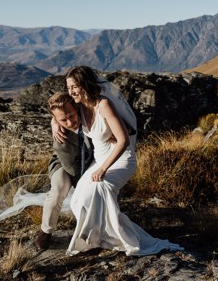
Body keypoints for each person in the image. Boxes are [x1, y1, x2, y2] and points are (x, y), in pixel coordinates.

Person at [60, 66, 182, 256]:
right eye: (69, 88)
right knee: (78, 200)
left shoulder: (104, 105)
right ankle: (98, 237)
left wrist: (104, 169)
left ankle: (120, 238)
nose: (72, 91)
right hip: (100, 161)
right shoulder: (78, 107)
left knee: (100, 188)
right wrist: (54, 125)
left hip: (120, 160)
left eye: (75, 86)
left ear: (85, 84)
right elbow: (57, 109)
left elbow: (124, 140)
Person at [35, 92, 92, 250]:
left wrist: (54, 121)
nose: (69, 121)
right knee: (59, 189)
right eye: (62, 120)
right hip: (64, 163)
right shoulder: (61, 139)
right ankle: (46, 231)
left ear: (77, 108)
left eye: (71, 115)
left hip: (91, 160)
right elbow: (73, 170)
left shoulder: (87, 114)